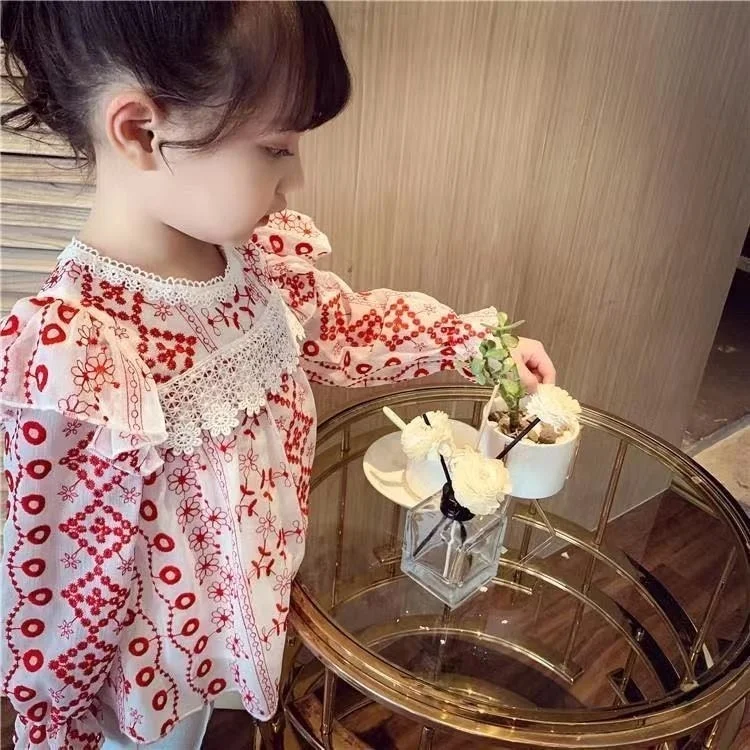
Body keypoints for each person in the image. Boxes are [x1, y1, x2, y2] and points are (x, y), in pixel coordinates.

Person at [0, 2, 555, 748]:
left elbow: (341, 329)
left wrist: (474, 343)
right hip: (153, 676)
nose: (295, 178)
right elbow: (67, 588)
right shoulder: (83, 360)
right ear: (140, 131)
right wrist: (56, 723)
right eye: (275, 148)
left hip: (254, 608)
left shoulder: (254, 260)